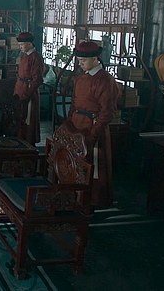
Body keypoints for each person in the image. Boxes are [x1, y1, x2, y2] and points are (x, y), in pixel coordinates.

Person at [67, 40, 120, 208]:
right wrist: (69, 125)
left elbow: (107, 112)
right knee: (75, 162)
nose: (80, 63)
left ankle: (93, 199)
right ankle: (74, 194)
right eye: (79, 60)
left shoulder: (105, 80)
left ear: (95, 58)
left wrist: (94, 133)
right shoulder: (81, 78)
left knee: (94, 164)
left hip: (93, 126)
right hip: (77, 125)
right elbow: (74, 103)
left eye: (83, 60)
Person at [12, 32, 45, 144]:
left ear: (30, 44)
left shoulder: (36, 57)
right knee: (19, 117)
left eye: (22, 45)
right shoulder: (24, 56)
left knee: (28, 119)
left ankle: (28, 143)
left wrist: (27, 94)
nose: (20, 47)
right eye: (19, 45)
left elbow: (38, 79)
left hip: (29, 91)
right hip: (20, 89)